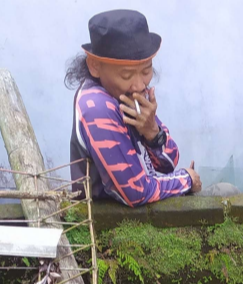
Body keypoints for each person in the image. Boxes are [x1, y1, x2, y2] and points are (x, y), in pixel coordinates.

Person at [67, 9, 201, 206]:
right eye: (127, 75)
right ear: (95, 66)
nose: (139, 85)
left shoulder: (125, 93)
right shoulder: (96, 106)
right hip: (107, 223)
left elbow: (169, 163)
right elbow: (136, 191)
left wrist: (152, 132)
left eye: (146, 71)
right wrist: (187, 179)